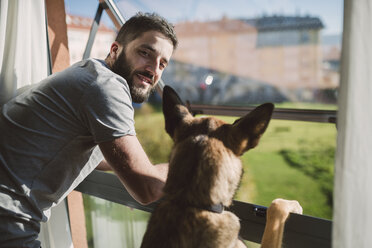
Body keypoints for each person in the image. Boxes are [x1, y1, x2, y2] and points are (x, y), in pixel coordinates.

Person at [0, 12, 301, 248]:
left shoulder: (85, 73)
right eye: (146, 53)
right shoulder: (107, 87)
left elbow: (101, 157)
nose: (153, 69)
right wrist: (195, 165)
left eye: (163, 63)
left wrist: (181, 159)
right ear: (116, 49)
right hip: (9, 223)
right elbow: (147, 189)